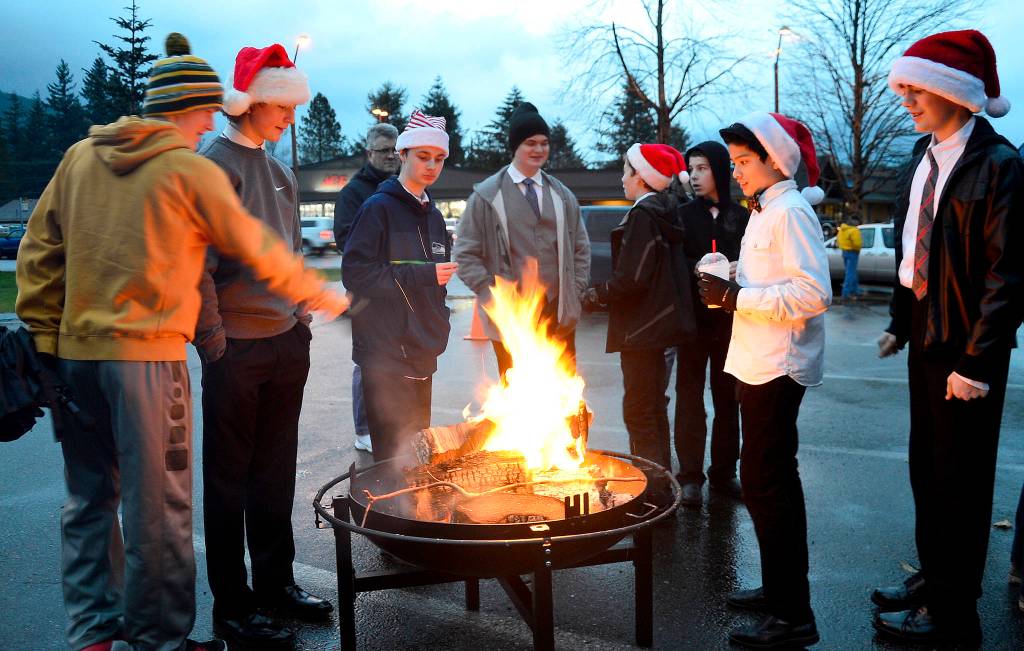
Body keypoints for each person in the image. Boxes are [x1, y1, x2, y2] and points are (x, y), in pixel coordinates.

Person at [14, 33, 347, 651]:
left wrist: (41, 334)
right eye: (202, 114)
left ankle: (94, 637)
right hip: (148, 358)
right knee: (159, 511)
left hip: (77, 356)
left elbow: (39, 251)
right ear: (189, 110)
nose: (207, 125)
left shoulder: (82, 156)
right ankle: (162, 639)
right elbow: (252, 248)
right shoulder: (191, 166)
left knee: (89, 504)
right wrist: (320, 293)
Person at [870, 30, 1023, 647]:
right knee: (927, 473)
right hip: (928, 342)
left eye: (916, 89)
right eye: (903, 89)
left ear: (952, 92)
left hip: (966, 354)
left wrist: (978, 361)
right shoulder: (923, 155)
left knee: (961, 482)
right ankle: (935, 577)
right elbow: (914, 250)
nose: (905, 100)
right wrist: (898, 321)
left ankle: (955, 613)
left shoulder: (1000, 165)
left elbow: (1008, 273)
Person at [195, 43, 333, 648]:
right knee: (229, 481)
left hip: (285, 342)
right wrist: (214, 339)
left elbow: (289, 255)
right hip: (236, 349)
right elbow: (194, 261)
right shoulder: (212, 164)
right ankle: (233, 607)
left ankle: (276, 587)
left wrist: (300, 315)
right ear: (250, 100)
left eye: (293, 106)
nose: (290, 117)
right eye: (281, 105)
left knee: (275, 474)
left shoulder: (279, 172)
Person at [699, 112, 831, 649]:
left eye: (745, 162)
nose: (736, 173)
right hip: (756, 360)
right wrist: (729, 273)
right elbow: (770, 278)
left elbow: (812, 293)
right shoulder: (766, 210)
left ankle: (793, 615)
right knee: (762, 483)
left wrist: (733, 296)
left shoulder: (790, 211)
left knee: (769, 484)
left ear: (776, 161)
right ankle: (780, 592)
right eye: (734, 163)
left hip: (778, 365)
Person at [584, 143, 694, 508]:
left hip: (642, 330)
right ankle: (662, 486)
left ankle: (651, 494)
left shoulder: (644, 216)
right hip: (661, 327)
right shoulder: (667, 212)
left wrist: (595, 295)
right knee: (653, 408)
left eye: (627, 171)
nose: (622, 178)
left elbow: (632, 278)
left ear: (643, 178)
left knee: (639, 411)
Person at [342, 111, 456, 462]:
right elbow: (356, 273)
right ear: (402, 155)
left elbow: (436, 290)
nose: (431, 166)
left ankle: (412, 518)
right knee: (391, 466)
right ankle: (384, 519)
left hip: (421, 354)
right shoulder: (378, 208)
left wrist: (439, 320)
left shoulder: (434, 217)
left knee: (418, 461)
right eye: (423, 156)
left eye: (438, 158)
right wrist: (423, 275)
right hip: (385, 357)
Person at [454, 102, 590, 378]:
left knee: (563, 397)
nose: (539, 150)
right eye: (531, 143)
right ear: (515, 146)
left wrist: (574, 293)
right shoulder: (487, 196)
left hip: (558, 312)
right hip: (510, 315)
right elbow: (466, 253)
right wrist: (492, 293)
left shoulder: (562, 195)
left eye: (544, 143)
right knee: (518, 400)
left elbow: (581, 249)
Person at [674, 140, 749, 506]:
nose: (694, 175)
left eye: (702, 167)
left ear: (719, 169)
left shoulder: (744, 216)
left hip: (730, 325)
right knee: (689, 399)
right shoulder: (683, 215)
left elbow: (757, 262)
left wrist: (740, 271)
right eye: (691, 168)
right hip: (691, 324)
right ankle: (689, 476)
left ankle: (724, 472)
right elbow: (675, 263)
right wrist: (697, 268)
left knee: (727, 401)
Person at [333, 122, 401, 455]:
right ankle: (364, 429)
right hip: (368, 296)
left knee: (397, 360)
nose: (390, 156)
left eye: (395, 150)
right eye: (383, 150)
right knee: (368, 362)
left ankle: (394, 423)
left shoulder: (405, 186)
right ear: (368, 152)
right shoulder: (353, 193)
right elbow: (347, 241)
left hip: (402, 291)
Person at [836, 218, 862, 301]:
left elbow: (838, 240)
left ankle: (855, 290)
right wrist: (857, 248)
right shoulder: (854, 230)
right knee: (850, 273)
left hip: (844, 252)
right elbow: (857, 243)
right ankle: (846, 293)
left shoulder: (842, 229)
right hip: (853, 252)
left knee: (851, 272)